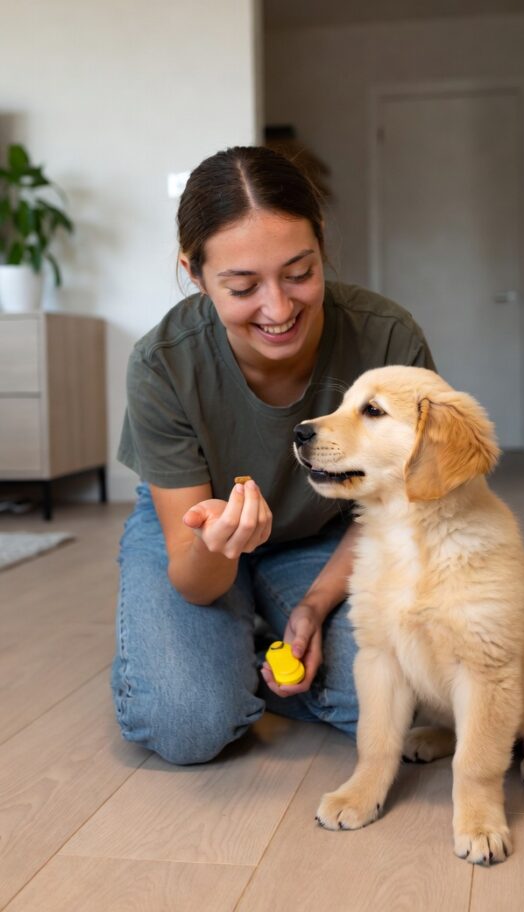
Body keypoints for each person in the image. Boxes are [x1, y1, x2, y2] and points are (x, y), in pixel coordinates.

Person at [112, 145, 436, 765]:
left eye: (299, 273)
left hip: (327, 533)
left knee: (407, 703)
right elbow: (194, 577)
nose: (279, 309)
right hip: (199, 541)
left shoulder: (386, 336)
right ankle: (209, 657)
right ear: (194, 273)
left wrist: (314, 606)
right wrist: (219, 546)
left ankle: (254, 642)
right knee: (186, 724)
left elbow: (393, 508)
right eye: (241, 287)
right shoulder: (163, 363)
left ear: (321, 246)